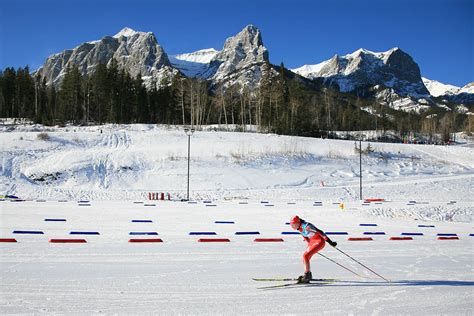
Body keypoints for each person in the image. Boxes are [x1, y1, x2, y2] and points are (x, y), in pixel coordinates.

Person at [290, 215, 337, 283]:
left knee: (305, 256)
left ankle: (307, 275)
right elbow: (305, 237)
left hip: (319, 241)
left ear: (298, 222)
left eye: (293, 224)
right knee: (305, 257)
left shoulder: (307, 226)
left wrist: (330, 242)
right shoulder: (299, 228)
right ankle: (307, 274)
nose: (292, 226)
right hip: (313, 242)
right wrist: (310, 246)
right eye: (291, 224)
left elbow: (320, 232)